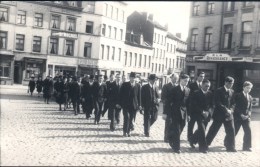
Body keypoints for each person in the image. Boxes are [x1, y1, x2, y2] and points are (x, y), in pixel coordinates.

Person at [206, 76, 237, 152]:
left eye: (232, 83)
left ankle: (230, 146)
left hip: (229, 115)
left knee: (231, 130)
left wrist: (232, 109)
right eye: (229, 83)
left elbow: (233, 103)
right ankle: (206, 144)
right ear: (225, 82)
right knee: (213, 130)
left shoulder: (232, 91)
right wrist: (226, 109)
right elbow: (217, 103)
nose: (231, 85)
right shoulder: (218, 91)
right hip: (219, 115)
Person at [189, 79, 213, 153]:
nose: (207, 88)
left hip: (206, 115)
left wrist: (208, 112)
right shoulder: (196, 93)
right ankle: (203, 148)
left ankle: (192, 140)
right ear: (202, 85)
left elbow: (211, 105)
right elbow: (194, 104)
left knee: (202, 129)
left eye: (209, 86)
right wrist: (202, 111)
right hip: (198, 114)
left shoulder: (210, 93)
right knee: (202, 130)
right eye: (206, 86)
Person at [168, 74, 190, 153]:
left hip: (183, 113)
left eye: (187, 81)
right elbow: (169, 101)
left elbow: (188, 104)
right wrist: (166, 113)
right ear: (180, 80)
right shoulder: (174, 89)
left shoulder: (188, 90)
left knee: (182, 127)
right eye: (185, 81)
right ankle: (176, 148)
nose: (186, 82)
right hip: (175, 112)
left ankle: (171, 137)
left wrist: (189, 114)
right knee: (177, 129)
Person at [119, 72, 142, 137]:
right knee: (126, 118)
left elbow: (139, 96)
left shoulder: (138, 86)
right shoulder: (125, 84)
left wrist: (140, 105)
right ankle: (124, 131)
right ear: (130, 78)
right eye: (131, 77)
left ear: (135, 78)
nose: (132, 79)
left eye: (134, 78)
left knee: (131, 119)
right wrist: (119, 103)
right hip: (125, 105)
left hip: (134, 106)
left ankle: (128, 131)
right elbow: (121, 94)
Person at [233, 81, 253, 152]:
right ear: (243, 87)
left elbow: (250, 108)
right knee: (234, 131)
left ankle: (247, 146)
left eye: (250, 88)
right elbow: (236, 107)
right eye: (247, 88)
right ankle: (228, 143)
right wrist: (241, 114)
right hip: (238, 117)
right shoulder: (238, 95)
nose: (248, 89)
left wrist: (248, 115)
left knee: (248, 131)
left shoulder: (250, 97)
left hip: (246, 117)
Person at [187, 71, 205, 148]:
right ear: (197, 77)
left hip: (200, 110)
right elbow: (189, 98)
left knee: (201, 126)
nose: (202, 78)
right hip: (192, 110)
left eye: (203, 76)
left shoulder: (204, 85)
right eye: (200, 76)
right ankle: (190, 139)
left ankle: (194, 139)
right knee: (191, 125)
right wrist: (188, 111)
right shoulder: (192, 85)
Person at [161, 73, 179, 142]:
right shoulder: (166, 86)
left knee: (174, 124)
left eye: (177, 79)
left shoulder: (178, 87)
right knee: (168, 123)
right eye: (174, 79)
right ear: (171, 78)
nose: (176, 80)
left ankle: (172, 137)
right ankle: (166, 137)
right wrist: (168, 104)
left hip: (176, 109)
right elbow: (163, 98)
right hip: (168, 108)